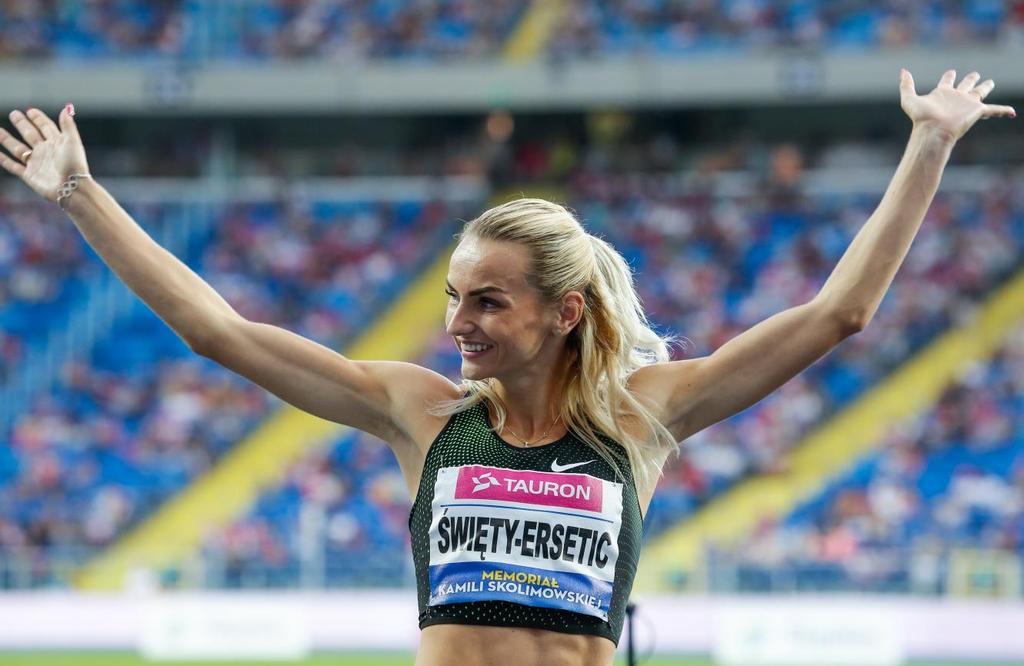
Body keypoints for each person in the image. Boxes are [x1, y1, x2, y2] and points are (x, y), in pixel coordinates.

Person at [0, 70, 1015, 665]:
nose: (456, 323)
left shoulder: (639, 418)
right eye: (451, 296)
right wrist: (81, 195)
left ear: (562, 311)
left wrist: (926, 144)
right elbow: (217, 330)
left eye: (486, 301)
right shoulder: (421, 414)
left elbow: (838, 313)